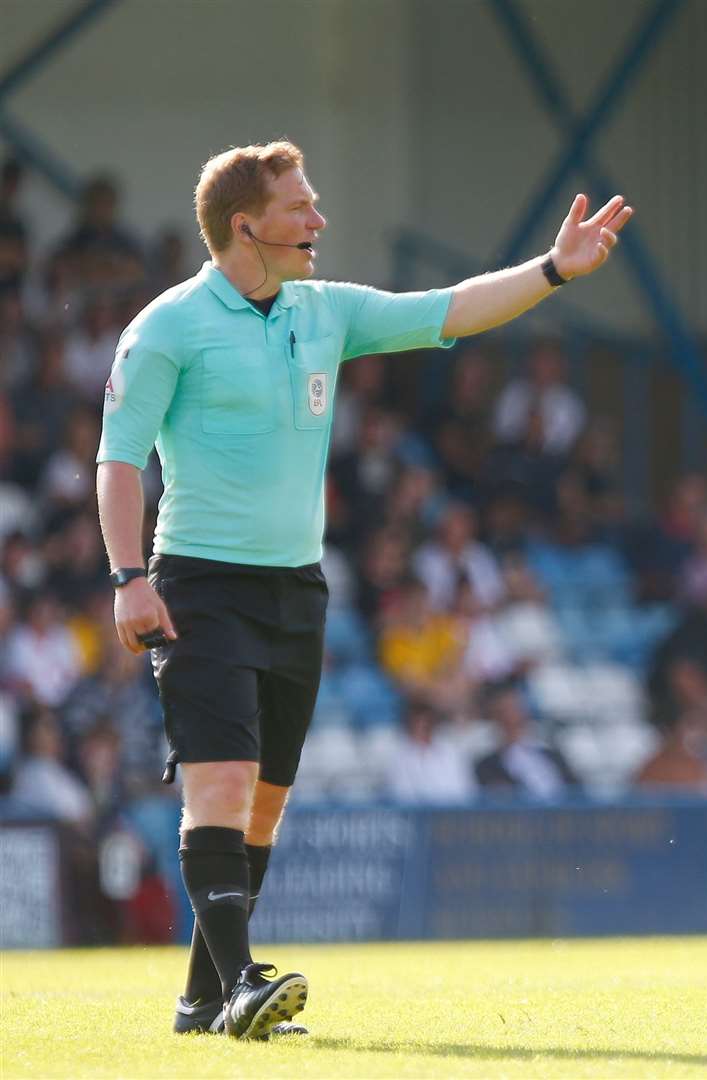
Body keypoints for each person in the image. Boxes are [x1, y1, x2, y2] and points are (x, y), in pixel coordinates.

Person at [95, 140, 631, 1040]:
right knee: (219, 789)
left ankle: (202, 995)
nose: (318, 221)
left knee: (264, 800)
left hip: (299, 588)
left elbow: (449, 309)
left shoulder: (323, 309)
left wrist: (552, 271)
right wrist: (126, 577)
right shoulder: (168, 327)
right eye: (300, 207)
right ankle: (240, 988)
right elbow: (116, 460)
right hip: (199, 585)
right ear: (245, 225)